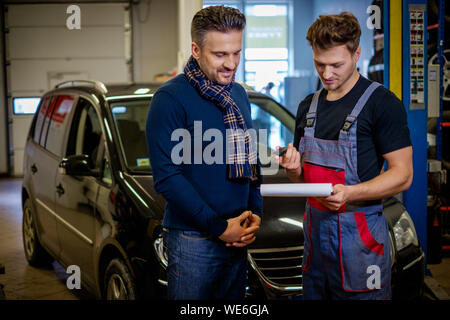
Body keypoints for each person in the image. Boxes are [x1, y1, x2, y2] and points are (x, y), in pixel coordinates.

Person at [276, 12, 413, 300]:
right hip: (314, 235)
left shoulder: (382, 104)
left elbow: (403, 175)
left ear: (357, 54)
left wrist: (350, 193)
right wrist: (292, 169)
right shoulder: (307, 106)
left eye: (336, 65)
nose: (326, 74)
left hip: (358, 237)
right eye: (319, 64)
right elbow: (301, 178)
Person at [146, 5, 262, 300]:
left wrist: (254, 214)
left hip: (237, 235)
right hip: (192, 240)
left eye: (236, 53)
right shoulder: (170, 99)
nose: (231, 63)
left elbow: (251, 160)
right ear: (196, 50)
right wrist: (220, 227)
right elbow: (167, 178)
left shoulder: (237, 94)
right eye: (220, 55)